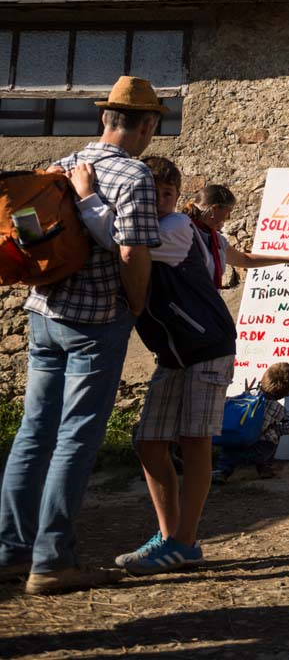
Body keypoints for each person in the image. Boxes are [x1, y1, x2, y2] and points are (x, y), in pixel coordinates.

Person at [0, 77, 163, 595]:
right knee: (75, 437)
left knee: (33, 432)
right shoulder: (135, 177)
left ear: (104, 118)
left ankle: (10, 552)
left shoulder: (62, 164)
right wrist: (136, 305)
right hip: (96, 320)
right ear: (148, 125)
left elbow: (27, 228)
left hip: (44, 311)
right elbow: (134, 254)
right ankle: (52, 561)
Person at [73, 156, 234, 575]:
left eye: (167, 194)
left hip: (206, 345)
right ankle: (169, 537)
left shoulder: (176, 229)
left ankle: (185, 542)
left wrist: (88, 197)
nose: (159, 201)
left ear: (178, 199)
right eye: (152, 193)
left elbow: (124, 243)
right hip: (173, 352)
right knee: (148, 442)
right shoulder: (152, 223)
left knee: (195, 440)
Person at [184, 184, 289, 288]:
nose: (229, 218)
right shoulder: (183, 232)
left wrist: (287, 259)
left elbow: (244, 260)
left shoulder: (216, 240)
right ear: (214, 209)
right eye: (228, 212)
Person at [213, 362, 289, 482]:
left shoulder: (244, 396)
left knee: (229, 452)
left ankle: (222, 471)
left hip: (232, 446)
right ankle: (264, 468)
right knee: (272, 434)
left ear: (263, 380)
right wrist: (276, 429)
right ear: (288, 392)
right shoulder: (276, 408)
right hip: (258, 452)